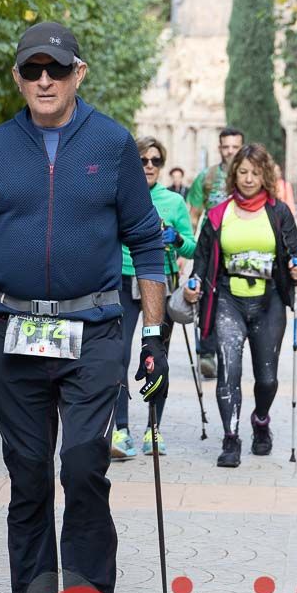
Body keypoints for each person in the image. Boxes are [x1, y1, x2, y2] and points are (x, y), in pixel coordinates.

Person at [0, 22, 167, 593]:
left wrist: (151, 342)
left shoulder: (112, 145)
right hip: (12, 336)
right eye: (32, 69)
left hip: (92, 331)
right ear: (18, 76)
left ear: (78, 75)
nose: (44, 80)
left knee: (84, 471)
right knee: (30, 480)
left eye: (56, 70)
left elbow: (146, 245)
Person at [184, 143, 297, 468]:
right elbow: (202, 259)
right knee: (230, 371)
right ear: (233, 174)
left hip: (269, 302)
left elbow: (296, 252)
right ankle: (231, 438)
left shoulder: (278, 212)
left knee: (267, 378)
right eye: (242, 172)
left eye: (254, 172)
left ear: (264, 174)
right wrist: (193, 283)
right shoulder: (218, 214)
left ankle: (261, 420)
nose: (248, 179)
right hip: (228, 300)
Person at [110, 137, 196, 460]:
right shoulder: (119, 194)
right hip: (122, 279)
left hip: (159, 282)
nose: (148, 166)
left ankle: (153, 429)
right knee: (117, 355)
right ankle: (120, 429)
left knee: (155, 357)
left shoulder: (173, 202)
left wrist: (174, 238)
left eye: (155, 161)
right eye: (143, 159)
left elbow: (192, 246)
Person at [186, 126, 244, 377]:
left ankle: (227, 350)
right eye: (226, 147)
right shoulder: (207, 177)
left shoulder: (248, 176)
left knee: (233, 299)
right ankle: (207, 352)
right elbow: (194, 214)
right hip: (210, 248)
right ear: (219, 148)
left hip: (239, 248)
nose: (230, 151)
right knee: (206, 295)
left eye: (235, 147)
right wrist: (184, 251)